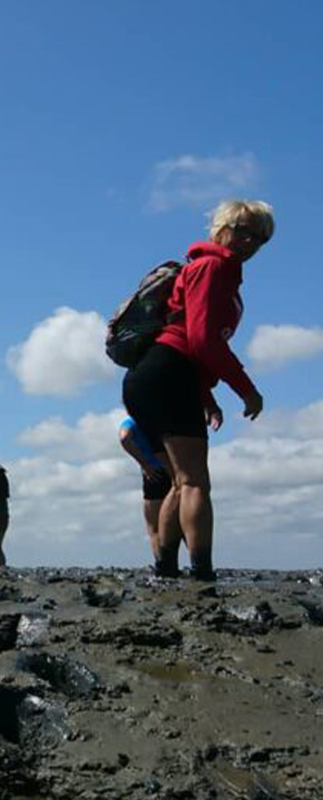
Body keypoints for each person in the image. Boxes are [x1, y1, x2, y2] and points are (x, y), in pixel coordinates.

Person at [122, 200, 274, 581]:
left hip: (155, 376)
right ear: (221, 228)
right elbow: (202, 341)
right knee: (194, 482)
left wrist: (206, 398)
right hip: (167, 371)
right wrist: (247, 390)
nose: (249, 242)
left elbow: (191, 338)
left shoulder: (206, 268)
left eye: (259, 237)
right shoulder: (214, 266)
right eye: (242, 230)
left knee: (180, 481)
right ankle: (202, 575)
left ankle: (166, 570)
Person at [119, 417, 179, 561]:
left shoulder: (132, 422)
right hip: (176, 471)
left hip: (154, 472)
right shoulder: (163, 417)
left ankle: (163, 565)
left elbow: (124, 438)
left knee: (155, 528)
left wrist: (144, 464)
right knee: (180, 523)